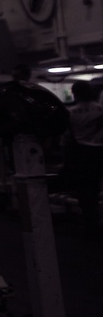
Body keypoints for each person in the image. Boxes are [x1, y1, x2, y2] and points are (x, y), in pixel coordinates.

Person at [66, 81, 103, 237]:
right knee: (96, 187)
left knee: (83, 188)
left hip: (80, 152)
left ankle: (89, 222)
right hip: (99, 151)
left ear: (75, 94)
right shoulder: (101, 110)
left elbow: (67, 138)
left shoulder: (71, 112)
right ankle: (95, 219)